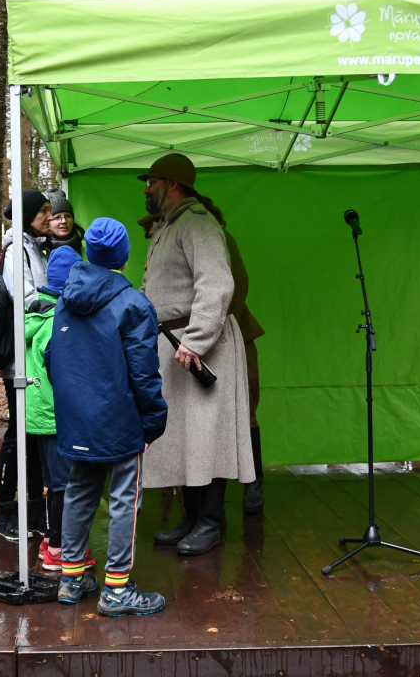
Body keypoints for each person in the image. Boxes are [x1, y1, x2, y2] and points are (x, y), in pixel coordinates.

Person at [47, 218, 168, 616]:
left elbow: (52, 358)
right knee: (123, 499)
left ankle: (71, 578)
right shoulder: (133, 304)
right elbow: (145, 374)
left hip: (75, 418)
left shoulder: (65, 298)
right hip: (120, 421)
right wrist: (153, 421)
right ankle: (117, 590)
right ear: (124, 255)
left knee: (79, 491)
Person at [138, 153, 255, 556]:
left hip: (200, 346)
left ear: (171, 183)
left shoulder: (197, 223)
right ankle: (191, 518)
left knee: (208, 435)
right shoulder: (170, 228)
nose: (145, 188)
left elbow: (218, 284)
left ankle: (210, 522)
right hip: (175, 343)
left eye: (150, 181)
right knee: (186, 436)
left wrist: (197, 339)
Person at [137, 212, 266, 514]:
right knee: (192, 425)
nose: (151, 235)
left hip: (222, 338)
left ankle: (253, 485)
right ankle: (194, 513)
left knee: (239, 415)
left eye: (151, 228)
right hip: (186, 339)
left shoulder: (205, 230)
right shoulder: (167, 240)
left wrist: (206, 330)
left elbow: (232, 287)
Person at [25, 245, 96, 571]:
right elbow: (62, 371)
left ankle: (52, 540)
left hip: (39, 416)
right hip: (56, 417)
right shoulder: (59, 322)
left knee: (55, 482)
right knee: (65, 485)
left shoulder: (36, 315)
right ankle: (60, 548)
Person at [0, 190, 53, 541]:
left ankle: (30, 510)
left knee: (29, 437)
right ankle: (5, 512)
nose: (49, 216)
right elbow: (28, 298)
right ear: (28, 215)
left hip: (31, 355)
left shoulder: (33, 247)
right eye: (43, 211)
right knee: (18, 435)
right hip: (19, 358)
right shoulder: (17, 249)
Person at [43, 187, 85, 256]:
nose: (64, 221)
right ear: (48, 222)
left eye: (67, 216)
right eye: (57, 217)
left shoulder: (87, 249)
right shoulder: (40, 253)